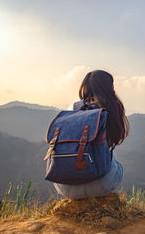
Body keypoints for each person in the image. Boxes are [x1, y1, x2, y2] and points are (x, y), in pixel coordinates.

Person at [54, 70, 130, 199]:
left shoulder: (73, 107)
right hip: (100, 186)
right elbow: (114, 140)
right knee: (114, 158)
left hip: (64, 186)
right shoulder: (112, 107)